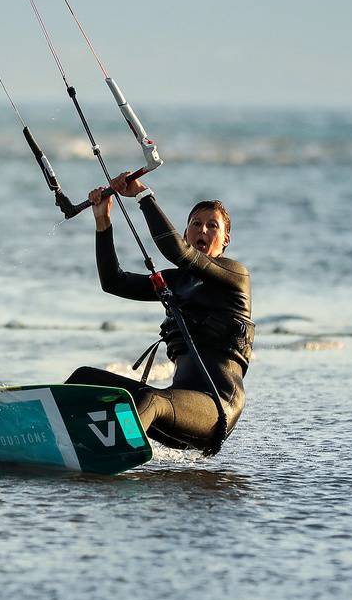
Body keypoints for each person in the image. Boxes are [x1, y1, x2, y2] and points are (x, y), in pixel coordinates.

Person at [66, 173, 251, 455]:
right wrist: (103, 223)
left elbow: (176, 251)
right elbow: (114, 282)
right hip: (176, 407)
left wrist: (142, 194)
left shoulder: (234, 275)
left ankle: (111, 452)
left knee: (150, 399)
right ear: (187, 232)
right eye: (195, 224)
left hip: (216, 409)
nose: (202, 230)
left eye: (212, 226)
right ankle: (47, 435)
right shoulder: (176, 282)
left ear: (226, 239)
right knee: (84, 379)